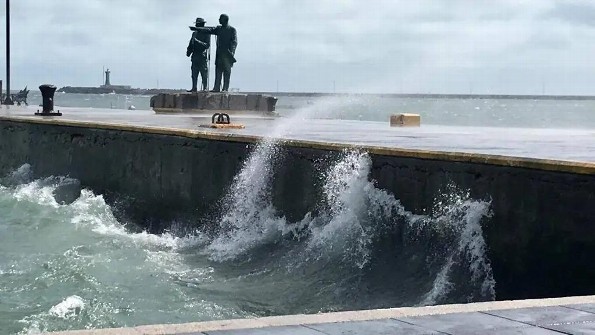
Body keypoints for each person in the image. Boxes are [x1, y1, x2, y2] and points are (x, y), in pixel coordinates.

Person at [190, 14, 237, 92]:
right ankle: (216, 87)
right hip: (219, 54)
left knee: (226, 72)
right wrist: (197, 29)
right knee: (218, 71)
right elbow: (209, 30)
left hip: (228, 54)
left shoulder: (232, 30)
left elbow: (234, 42)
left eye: (220, 19)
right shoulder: (219, 29)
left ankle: (225, 88)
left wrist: (232, 52)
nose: (219, 20)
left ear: (225, 20)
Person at [186, 17, 211, 92]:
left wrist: (197, 41)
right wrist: (188, 51)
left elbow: (207, 45)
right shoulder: (194, 33)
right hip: (195, 56)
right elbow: (191, 43)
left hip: (202, 56)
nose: (197, 26)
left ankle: (205, 87)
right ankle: (194, 87)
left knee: (204, 73)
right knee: (194, 73)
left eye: (198, 24)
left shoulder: (207, 34)